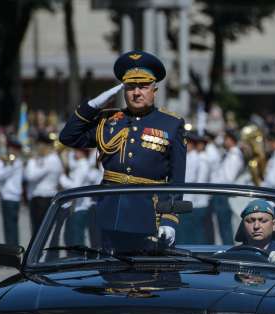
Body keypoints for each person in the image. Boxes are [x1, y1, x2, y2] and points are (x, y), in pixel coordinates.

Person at [58, 49, 185, 250]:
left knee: (147, 279)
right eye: (130, 87)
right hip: (107, 212)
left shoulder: (171, 124)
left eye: (143, 86)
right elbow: (68, 137)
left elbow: (177, 181)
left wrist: (169, 220)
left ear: (154, 89)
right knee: (108, 277)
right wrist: (92, 105)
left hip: (148, 215)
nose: (136, 93)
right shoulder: (108, 121)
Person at [24, 133, 63, 238]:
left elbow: (30, 176)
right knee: (37, 231)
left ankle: (41, 255)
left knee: (40, 233)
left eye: (38, 145)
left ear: (44, 146)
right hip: (39, 198)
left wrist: (31, 161)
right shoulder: (45, 159)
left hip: (44, 199)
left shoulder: (51, 159)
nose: (37, 149)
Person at [238, 199, 275, 265]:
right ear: (243, 225)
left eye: (263, 221)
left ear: (273, 225)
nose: (256, 226)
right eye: (250, 221)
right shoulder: (233, 255)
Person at [58, 147, 94, 245]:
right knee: (69, 239)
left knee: (76, 240)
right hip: (74, 207)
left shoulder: (83, 165)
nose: (74, 152)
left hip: (79, 208)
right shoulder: (79, 164)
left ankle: (77, 259)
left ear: (82, 151)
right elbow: (69, 162)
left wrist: (61, 177)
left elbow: (75, 187)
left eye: (76, 150)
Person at [0, 138, 25, 246]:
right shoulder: (2, 161)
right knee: (8, 227)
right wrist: (6, 163)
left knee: (12, 227)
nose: (12, 151)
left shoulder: (17, 162)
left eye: (14, 149)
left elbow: (3, 175)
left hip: (13, 198)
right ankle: (10, 251)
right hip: (5, 197)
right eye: (10, 149)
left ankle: (13, 252)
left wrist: (9, 165)